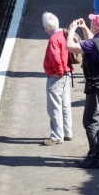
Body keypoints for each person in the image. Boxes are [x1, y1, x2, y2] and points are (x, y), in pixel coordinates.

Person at [66, 14, 99, 168]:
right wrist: (83, 28)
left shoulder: (94, 44)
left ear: (96, 26)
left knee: (90, 122)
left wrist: (72, 30)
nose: (90, 23)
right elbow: (92, 41)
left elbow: (70, 47)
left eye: (91, 22)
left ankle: (93, 159)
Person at [42, 12, 72, 145]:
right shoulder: (63, 34)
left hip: (57, 77)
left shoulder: (53, 39)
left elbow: (55, 58)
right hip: (67, 75)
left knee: (54, 107)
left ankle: (56, 136)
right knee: (65, 105)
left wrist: (59, 72)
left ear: (47, 28)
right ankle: (67, 132)